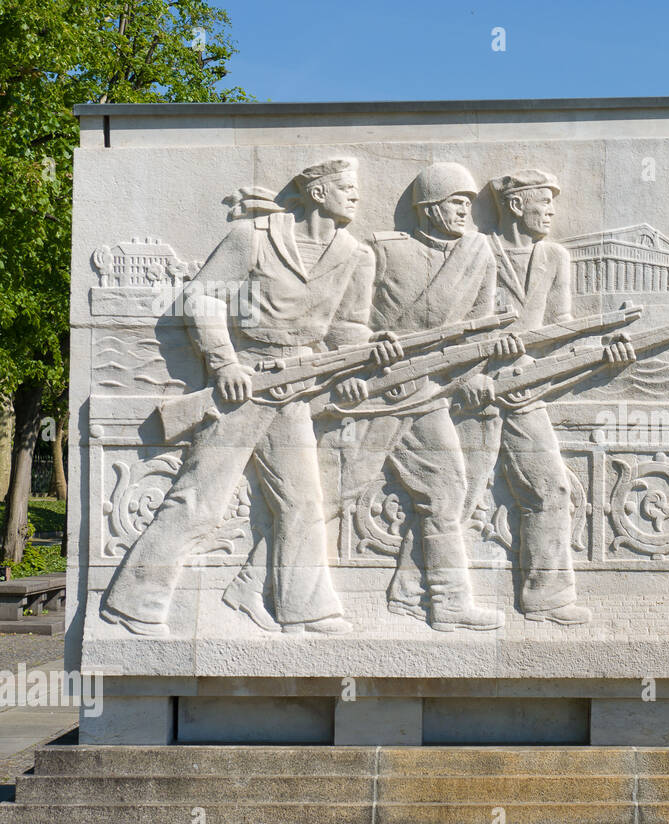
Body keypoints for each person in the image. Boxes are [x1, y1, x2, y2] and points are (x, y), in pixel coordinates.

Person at [101, 158, 402, 636]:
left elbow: (348, 328)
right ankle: (133, 603)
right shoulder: (253, 237)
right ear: (318, 192)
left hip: (298, 389)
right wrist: (224, 363)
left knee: (302, 504)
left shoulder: (355, 255)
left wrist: (362, 359)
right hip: (246, 385)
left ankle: (306, 610)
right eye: (346, 187)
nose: (356, 196)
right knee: (200, 501)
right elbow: (203, 298)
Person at [343, 161, 519, 630]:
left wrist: (481, 367)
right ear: (428, 206)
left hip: (429, 392)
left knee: (447, 490)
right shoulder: (381, 250)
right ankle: (248, 585)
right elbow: (345, 319)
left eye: (468, 203)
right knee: (331, 492)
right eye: (455, 202)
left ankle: (443, 602)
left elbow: (479, 328)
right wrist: (366, 346)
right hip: (377, 391)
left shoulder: (479, 254)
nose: (466, 210)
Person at [471, 169, 635, 624]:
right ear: (517, 204)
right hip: (473, 387)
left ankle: (547, 596)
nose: (551, 212)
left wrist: (604, 351)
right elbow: (456, 321)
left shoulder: (555, 256)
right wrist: (487, 351)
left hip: (526, 388)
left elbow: (559, 332)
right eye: (543, 201)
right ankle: (414, 590)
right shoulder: (478, 249)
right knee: (454, 494)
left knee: (550, 487)